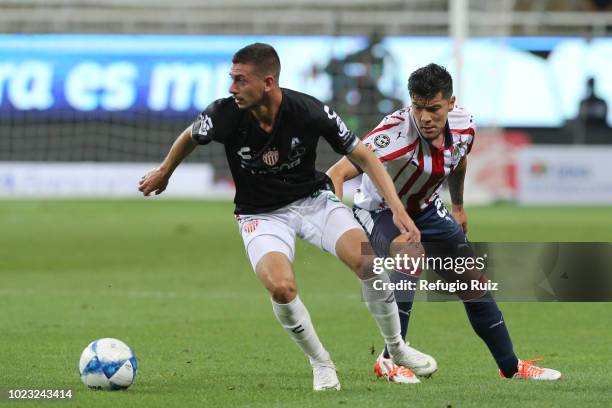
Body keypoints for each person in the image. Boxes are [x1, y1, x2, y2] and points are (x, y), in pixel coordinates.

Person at [138, 43, 436, 391]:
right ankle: (321, 363)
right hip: (260, 214)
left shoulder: (309, 111)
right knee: (281, 287)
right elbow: (191, 136)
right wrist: (165, 171)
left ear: (267, 82)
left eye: (239, 80)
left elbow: (365, 156)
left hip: (312, 201)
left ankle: (397, 349)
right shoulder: (223, 113)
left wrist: (397, 209)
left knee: (368, 263)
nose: (232, 88)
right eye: (231, 79)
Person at [327, 63, 562, 383]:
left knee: (473, 281)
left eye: (433, 108)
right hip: (378, 211)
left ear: (450, 104)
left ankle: (510, 367)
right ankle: (390, 358)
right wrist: (335, 225)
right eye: (418, 108)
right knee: (410, 254)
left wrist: (459, 205)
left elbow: (459, 159)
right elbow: (338, 173)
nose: (425, 117)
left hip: (425, 208)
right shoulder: (390, 136)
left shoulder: (465, 125)